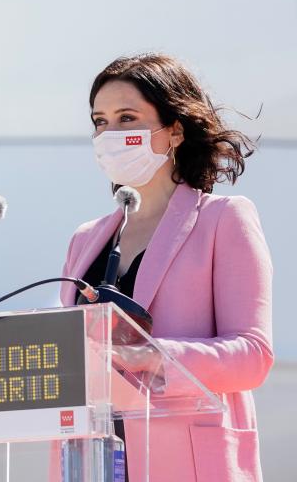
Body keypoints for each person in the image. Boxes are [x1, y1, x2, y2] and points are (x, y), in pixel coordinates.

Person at [59, 53, 273, 482]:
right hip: (89, 461)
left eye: (127, 117)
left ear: (174, 130)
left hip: (186, 463)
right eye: (100, 122)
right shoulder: (86, 238)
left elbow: (253, 355)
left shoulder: (223, 219)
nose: (109, 134)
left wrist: (154, 358)